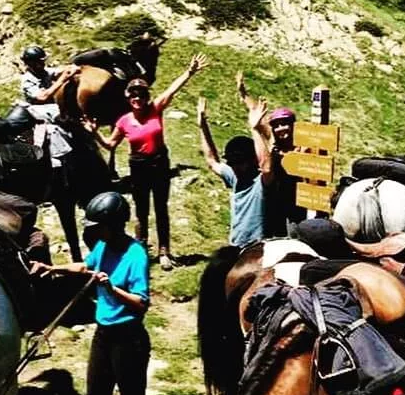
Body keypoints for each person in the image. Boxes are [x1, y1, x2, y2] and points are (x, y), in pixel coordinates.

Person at [30, 192, 156, 395]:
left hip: (129, 339)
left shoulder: (136, 255)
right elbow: (84, 267)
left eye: (98, 226)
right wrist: (53, 269)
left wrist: (111, 288)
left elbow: (141, 303)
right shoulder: (103, 246)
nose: (93, 231)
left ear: (114, 224)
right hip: (104, 335)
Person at [86, 54, 209, 270]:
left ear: (146, 96)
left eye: (141, 94)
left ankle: (164, 252)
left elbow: (172, 90)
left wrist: (189, 72)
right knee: (142, 211)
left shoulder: (155, 109)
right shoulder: (124, 121)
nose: (137, 98)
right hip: (138, 166)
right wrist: (95, 133)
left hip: (160, 163)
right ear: (128, 97)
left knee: (161, 209)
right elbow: (110, 144)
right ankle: (141, 250)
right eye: (133, 94)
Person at [197, 96, 273, 248]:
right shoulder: (234, 177)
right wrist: (202, 126)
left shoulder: (261, 181)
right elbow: (212, 161)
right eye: (231, 163)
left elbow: (266, 166)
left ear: (252, 160)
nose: (234, 167)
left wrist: (255, 129)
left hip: (259, 248)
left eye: (239, 162)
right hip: (236, 245)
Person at [236, 72, 306, 237]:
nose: (281, 129)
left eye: (285, 124)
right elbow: (256, 112)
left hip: (297, 203)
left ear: (293, 125)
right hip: (275, 200)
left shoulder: (302, 147)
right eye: (277, 125)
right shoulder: (273, 141)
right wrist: (243, 93)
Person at [19, 44, 81, 120]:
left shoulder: (44, 72)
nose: (43, 64)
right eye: (40, 62)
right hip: (38, 110)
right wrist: (62, 79)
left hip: (52, 105)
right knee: (64, 116)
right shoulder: (27, 80)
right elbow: (42, 97)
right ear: (31, 63)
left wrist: (71, 68)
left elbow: (59, 71)